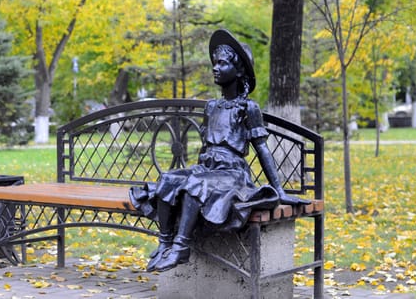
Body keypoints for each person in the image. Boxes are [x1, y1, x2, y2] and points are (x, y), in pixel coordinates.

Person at [129, 29, 308, 273]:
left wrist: (279, 190)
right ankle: (165, 242)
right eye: (215, 63)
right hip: (209, 170)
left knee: (195, 185)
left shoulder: (247, 108)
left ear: (239, 71)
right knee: (168, 179)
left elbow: (262, 149)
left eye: (222, 63)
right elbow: (205, 148)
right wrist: (195, 171)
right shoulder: (212, 107)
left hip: (232, 176)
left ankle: (181, 247)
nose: (215, 67)